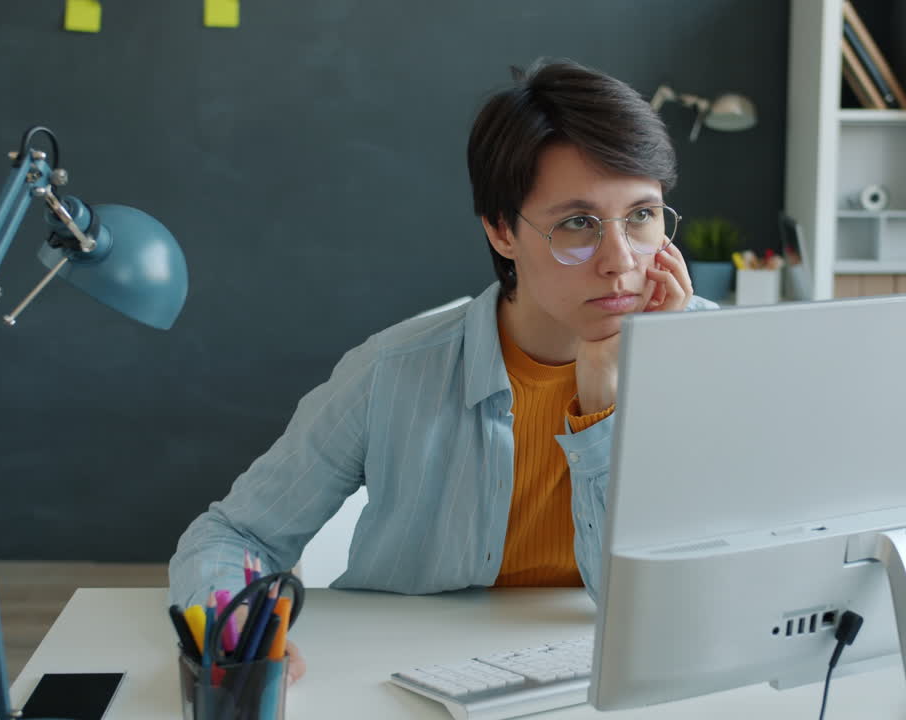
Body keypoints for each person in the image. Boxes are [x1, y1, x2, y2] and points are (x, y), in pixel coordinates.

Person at [169, 58, 717, 683]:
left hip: (606, 684)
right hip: (397, 678)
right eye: (577, 224)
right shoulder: (391, 372)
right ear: (502, 230)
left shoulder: (713, 357)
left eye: (642, 216)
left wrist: (611, 396)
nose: (620, 261)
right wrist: (233, 630)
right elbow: (235, 535)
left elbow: (663, 604)